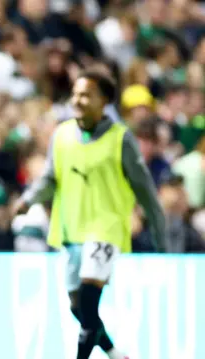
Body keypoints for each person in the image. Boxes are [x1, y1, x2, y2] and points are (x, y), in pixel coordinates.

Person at [12, 71, 166, 359]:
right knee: (77, 307)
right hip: (71, 227)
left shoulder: (121, 139)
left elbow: (144, 189)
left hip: (106, 227)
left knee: (89, 301)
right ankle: (115, 354)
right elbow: (49, 177)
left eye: (86, 95)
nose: (77, 100)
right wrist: (28, 200)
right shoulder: (62, 134)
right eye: (75, 94)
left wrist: (160, 233)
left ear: (104, 100)